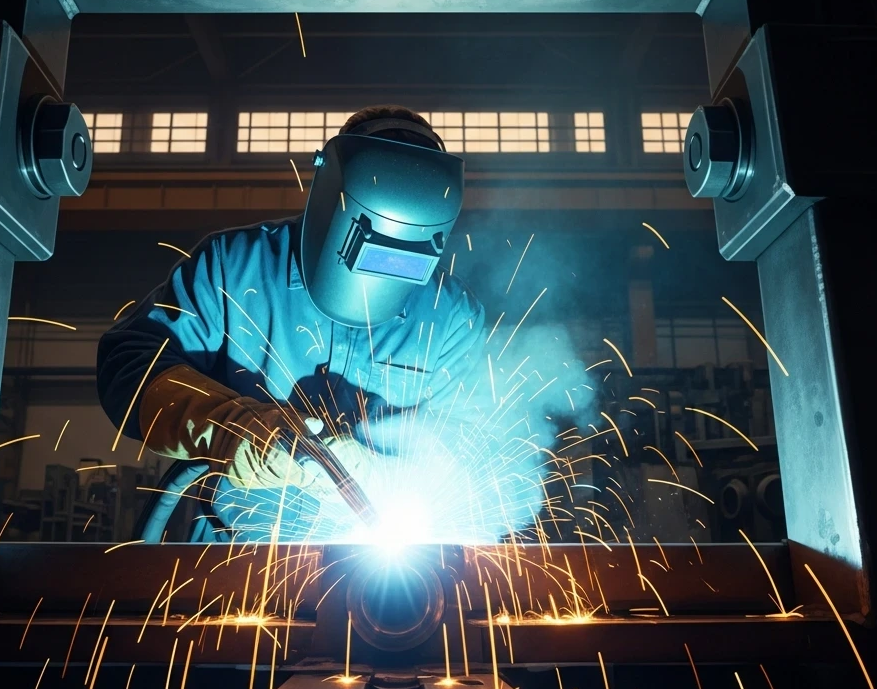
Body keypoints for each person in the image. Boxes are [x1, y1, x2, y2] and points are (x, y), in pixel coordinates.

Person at [97, 105, 543, 542]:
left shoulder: (449, 317)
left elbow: (473, 447)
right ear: (334, 199)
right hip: (233, 560)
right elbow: (129, 364)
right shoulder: (235, 267)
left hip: (390, 575)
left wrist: (381, 474)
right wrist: (229, 426)